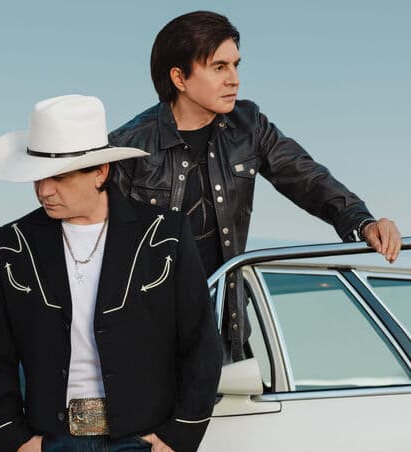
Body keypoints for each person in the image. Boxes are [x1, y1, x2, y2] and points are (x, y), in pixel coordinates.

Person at [109, 10, 402, 362]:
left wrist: (362, 221)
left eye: (236, 66)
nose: (233, 79)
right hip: (149, 341)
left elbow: (308, 178)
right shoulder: (128, 147)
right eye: (219, 67)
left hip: (225, 331)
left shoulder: (248, 126)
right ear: (179, 77)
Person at [0, 94, 222, 452]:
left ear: (100, 172)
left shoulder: (165, 233)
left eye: (58, 177)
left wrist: (180, 441)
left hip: (142, 447)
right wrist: (14, 444)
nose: (44, 190)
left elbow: (201, 344)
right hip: (54, 451)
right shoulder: (14, 242)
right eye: (38, 177)